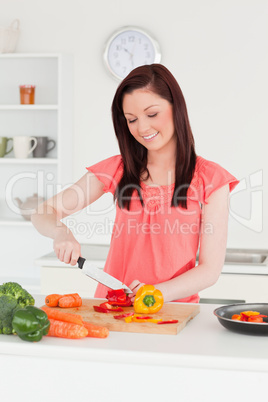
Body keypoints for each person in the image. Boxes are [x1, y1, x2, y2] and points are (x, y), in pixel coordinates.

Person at [31, 64, 239, 303]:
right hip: (113, 307)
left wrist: (154, 294)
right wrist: (61, 233)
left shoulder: (210, 178)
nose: (142, 128)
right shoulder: (118, 169)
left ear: (176, 108)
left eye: (152, 114)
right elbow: (42, 212)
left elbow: (210, 270)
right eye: (131, 120)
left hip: (173, 311)